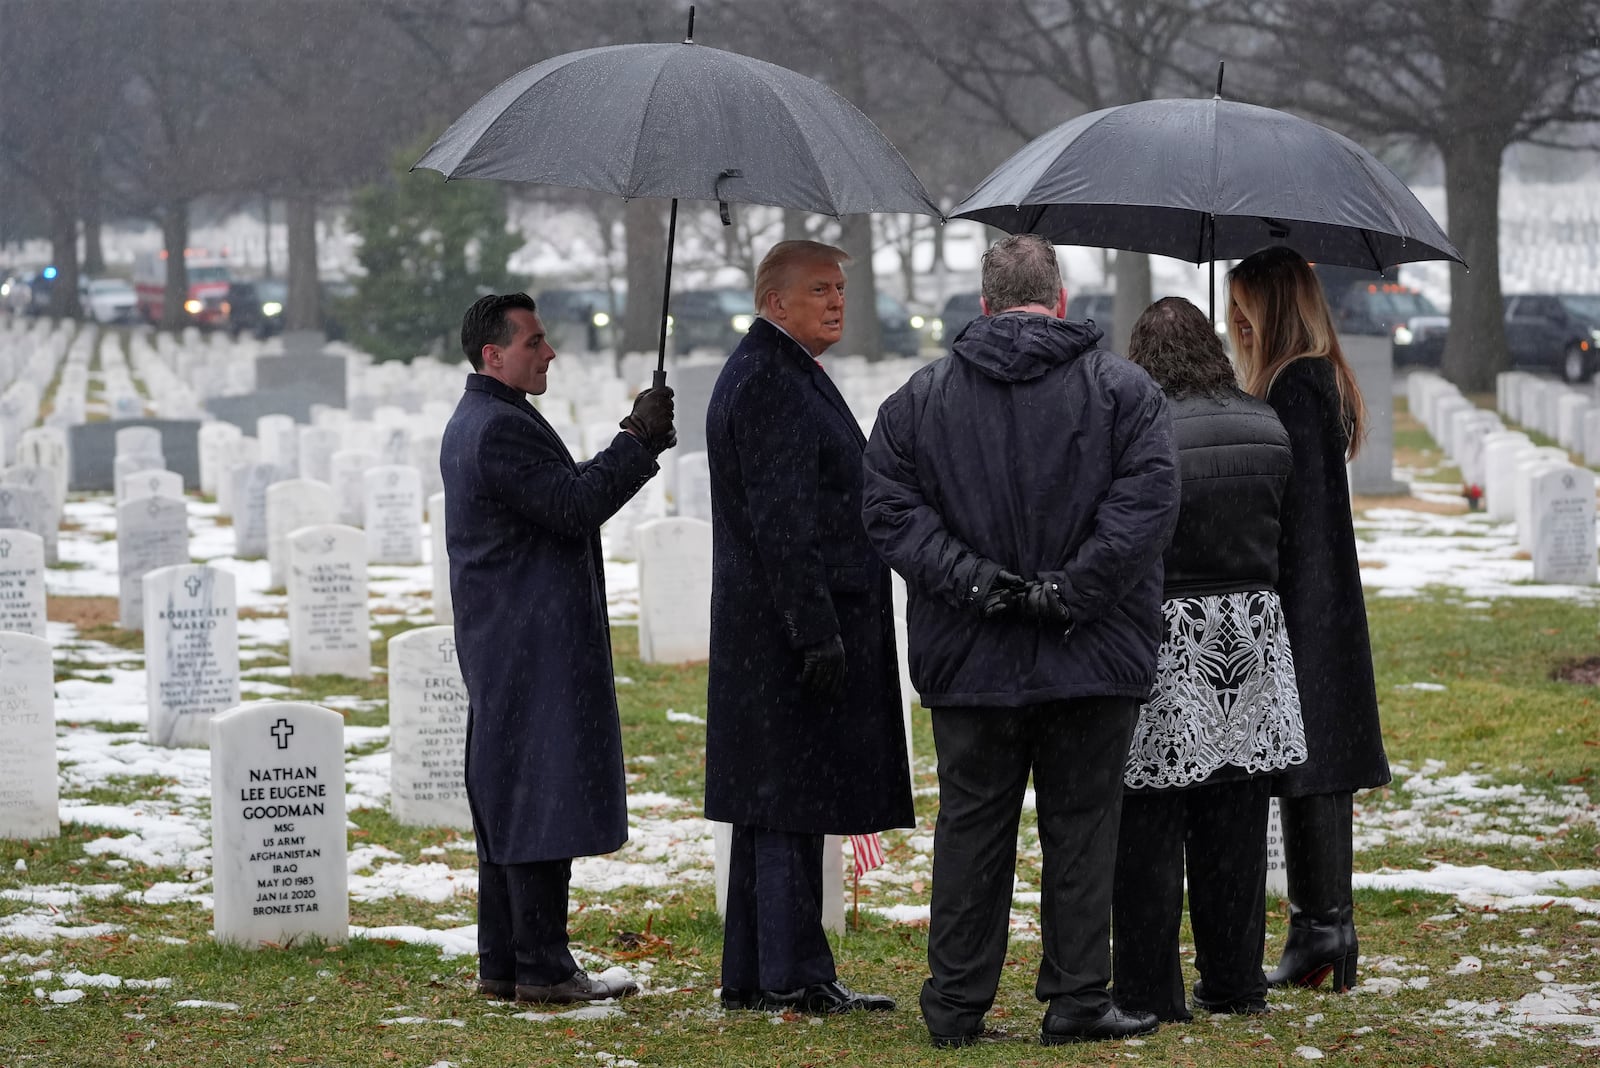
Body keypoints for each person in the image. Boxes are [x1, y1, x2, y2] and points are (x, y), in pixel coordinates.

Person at [861, 234, 1180, 1047]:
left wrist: (977, 582)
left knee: (972, 828)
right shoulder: (1125, 392)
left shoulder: (919, 400)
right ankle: (1077, 998)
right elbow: (1144, 509)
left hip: (973, 654)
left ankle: (956, 1004)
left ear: (985, 304)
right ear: (1062, 300)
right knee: (1082, 828)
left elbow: (892, 514)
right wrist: (1070, 592)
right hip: (1092, 652)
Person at [441, 292, 676, 1004]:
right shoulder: (496, 429)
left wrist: (635, 440)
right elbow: (573, 506)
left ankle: (506, 962)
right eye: (534, 343)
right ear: (493, 354)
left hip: (512, 634)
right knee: (539, 793)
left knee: (516, 793)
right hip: (528, 639)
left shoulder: (488, 415)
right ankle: (541, 966)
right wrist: (637, 438)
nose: (548, 354)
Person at [704, 239, 913, 1015]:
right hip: (786, 631)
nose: (835, 303)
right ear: (774, 302)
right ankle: (792, 976)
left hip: (776, 627)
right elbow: (783, 521)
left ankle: (765, 972)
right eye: (819, 290)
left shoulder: (780, 371)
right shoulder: (770, 381)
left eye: (840, 291)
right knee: (788, 803)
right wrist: (815, 629)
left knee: (776, 804)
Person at [1109, 297, 1307, 1022]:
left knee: (1149, 826)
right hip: (1250, 633)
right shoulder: (1266, 423)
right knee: (1236, 820)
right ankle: (1234, 982)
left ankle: (1147, 989)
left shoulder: (1136, 426)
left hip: (1165, 634)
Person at [1226, 246, 1392, 992]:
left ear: (1273, 309)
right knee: (1313, 757)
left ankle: (1323, 926)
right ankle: (1324, 927)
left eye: (1243, 308)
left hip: (1303, 595)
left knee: (1312, 758)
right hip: (1320, 594)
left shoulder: (1294, 386)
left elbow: (1285, 503)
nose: (1234, 322)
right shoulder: (1316, 378)